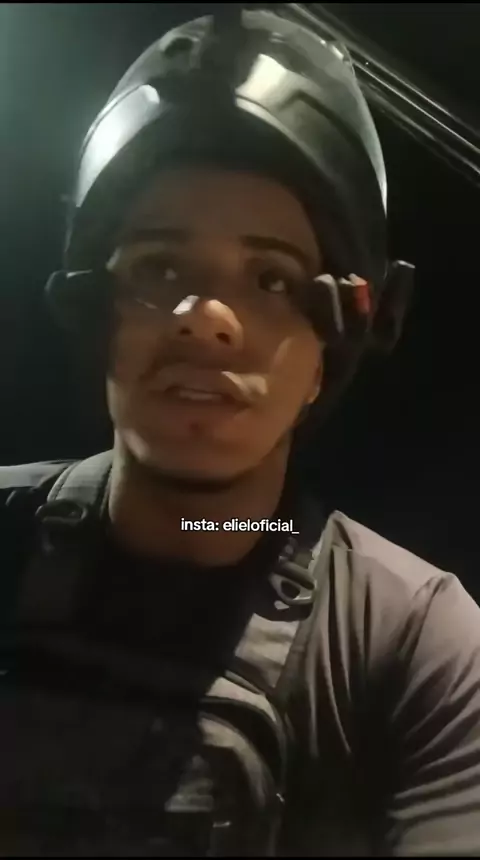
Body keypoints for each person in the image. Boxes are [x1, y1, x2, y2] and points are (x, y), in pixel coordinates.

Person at [2, 7, 480, 857]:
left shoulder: (415, 647)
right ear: (93, 311)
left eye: (271, 278)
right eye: (159, 266)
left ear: (335, 344)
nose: (206, 318)